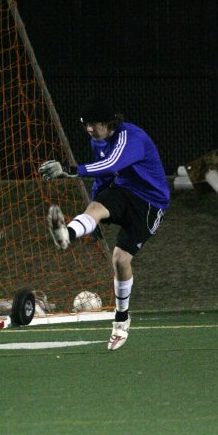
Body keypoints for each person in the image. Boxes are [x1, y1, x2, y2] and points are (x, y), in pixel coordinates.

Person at [38, 96, 170, 350]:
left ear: (109, 123)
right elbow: (105, 175)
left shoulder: (131, 137)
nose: (89, 129)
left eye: (94, 124)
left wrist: (70, 169)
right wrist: (96, 212)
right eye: (85, 124)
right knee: (96, 207)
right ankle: (67, 234)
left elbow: (112, 163)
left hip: (150, 203)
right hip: (123, 191)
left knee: (120, 260)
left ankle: (121, 320)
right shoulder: (97, 141)